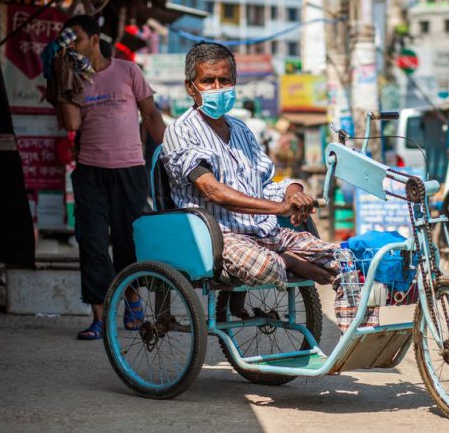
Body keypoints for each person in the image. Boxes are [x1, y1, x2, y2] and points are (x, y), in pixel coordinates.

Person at [161, 42, 378, 330]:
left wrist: (294, 193)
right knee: (265, 265)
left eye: (224, 80)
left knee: (347, 260)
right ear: (191, 87)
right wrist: (279, 208)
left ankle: (358, 337)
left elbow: (264, 183)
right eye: (207, 81)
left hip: (266, 232)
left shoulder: (241, 130)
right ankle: (289, 261)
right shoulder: (180, 131)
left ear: (234, 83)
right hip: (219, 238)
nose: (217, 87)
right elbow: (211, 190)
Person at [54, 15, 166, 340]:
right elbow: (72, 124)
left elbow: (151, 114)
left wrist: (172, 153)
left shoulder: (127, 71)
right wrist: (65, 80)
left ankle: (132, 300)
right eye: (67, 40)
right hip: (90, 172)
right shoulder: (74, 76)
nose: (71, 44)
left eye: (75, 38)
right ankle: (99, 318)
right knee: (91, 242)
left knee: (127, 240)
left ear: (93, 39)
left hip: (130, 170)